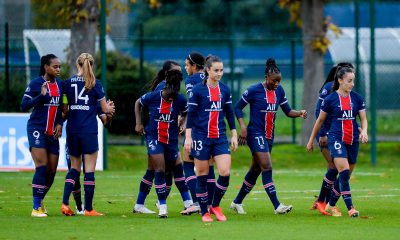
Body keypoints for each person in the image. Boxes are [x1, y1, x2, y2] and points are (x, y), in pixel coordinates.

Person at [230, 58, 307, 215]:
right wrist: (243, 128)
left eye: (279, 81)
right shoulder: (253, 90)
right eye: (274, 81)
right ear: (266, 77)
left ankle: (237, 202)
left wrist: (299, 113)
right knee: (267, 166)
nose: (277, 84)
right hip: (254, 133)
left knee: (256, 169)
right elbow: (237, 108)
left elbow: (287, 111)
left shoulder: (279, 91)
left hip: (268, 136)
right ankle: (277, 206)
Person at [307, 66, 368, 218]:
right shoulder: (330, 99)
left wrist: (364, 131)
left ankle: (330, 204)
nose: (352, 84)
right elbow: (320, 120)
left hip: (352, 139)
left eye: (353, 81)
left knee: (344, 176)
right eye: (349, 81)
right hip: (336, 138)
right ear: (340, 80)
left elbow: (363, 119)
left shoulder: (357, 98)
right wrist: (310, 140)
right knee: (344, 171)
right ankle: (351, 208)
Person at [184, 55, 238, 222]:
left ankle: (215, 205)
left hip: (220, 137)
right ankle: (204, 212)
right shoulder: (197, 91)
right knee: (203, 174)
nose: (219, 73)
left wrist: (234, 134)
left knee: (225, 172)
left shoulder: (225, 90)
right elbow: (191, 115)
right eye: (216, 70)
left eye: (221, 70)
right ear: (207, 70)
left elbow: (229, 114)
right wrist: (188, 137)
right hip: (201, 137)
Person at [61, 53, 115, 216]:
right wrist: (110, 109)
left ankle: (64, 204)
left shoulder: (67, 83)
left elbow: (64, 109)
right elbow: (105, 110)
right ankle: (89, 209)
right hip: (89, 130)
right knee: (89, 170)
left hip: (72, 129)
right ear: (92, 65)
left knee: (74, 168)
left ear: (77, 64)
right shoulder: (95, 84)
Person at [134, 69, 188, 218]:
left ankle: (139, 204)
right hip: (154, 137)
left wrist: (183, 122)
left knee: (168, 169)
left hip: (171, 140)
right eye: (171, 93)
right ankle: (163, 206)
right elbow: (138, 102)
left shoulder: (179, 98)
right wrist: (138, 123)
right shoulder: (154, 96)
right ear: (166, 84)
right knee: (159, 169)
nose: (172, 97)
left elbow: (186, 111)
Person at [21, 54, 63, 217]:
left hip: (52, 132)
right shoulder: (36, 83)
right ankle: (36, 207)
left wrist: (60, 123)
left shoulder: (60, 84)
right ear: (46, 67)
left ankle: (39, 200)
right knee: (42, 167)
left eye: (59, 66)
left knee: (52, 171)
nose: (58, 69)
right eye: (55, 66)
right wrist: (41, 97)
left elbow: (61, 108)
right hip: (37, 128)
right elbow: (23, 106)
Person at [180, 52, 217, 215]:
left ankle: (196, 201)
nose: (185, 68)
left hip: (197, 127)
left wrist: (184, 120)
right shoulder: (212, 75)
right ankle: (210, 203)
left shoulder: (191, 80)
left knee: (188, 163)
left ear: (195, 66)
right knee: (208, 166)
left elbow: (192, 104)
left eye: (187, 65)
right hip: (213, 126)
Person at [64, 103, 113, 214]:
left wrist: (109, 115)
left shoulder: (94, 95)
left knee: (86, 171)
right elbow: (63, 113)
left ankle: (86, 207)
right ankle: (80, 207)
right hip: (74, 135)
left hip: (85, 135)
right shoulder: (70, 90)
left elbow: (105, 122)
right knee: (75, 173)